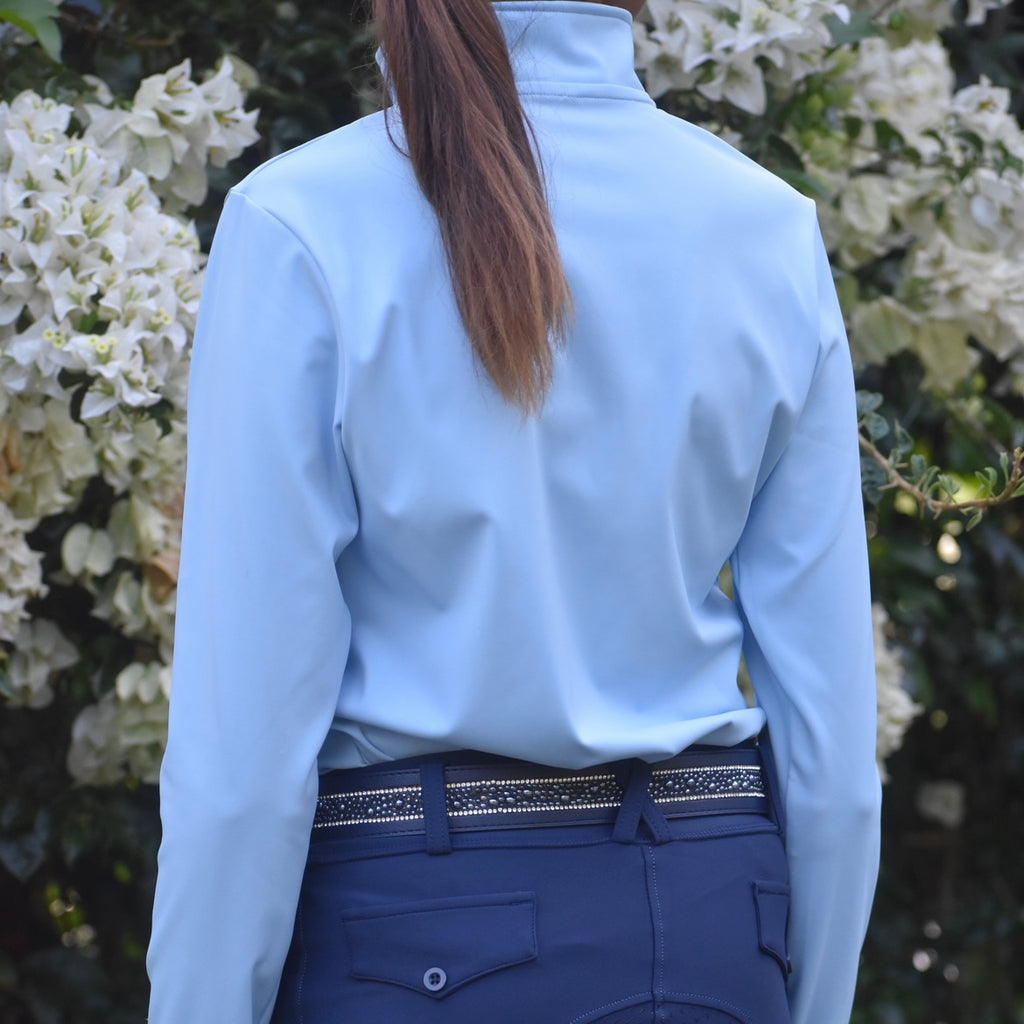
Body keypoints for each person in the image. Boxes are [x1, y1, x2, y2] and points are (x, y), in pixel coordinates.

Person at [146, 2, 882, 1022]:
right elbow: (833, 753)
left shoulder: (302, 222)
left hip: (420, 936)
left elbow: (243, 772)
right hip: (718, 919)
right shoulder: (764, 226)